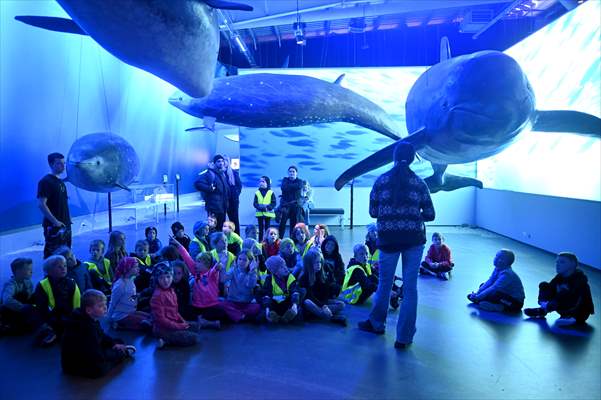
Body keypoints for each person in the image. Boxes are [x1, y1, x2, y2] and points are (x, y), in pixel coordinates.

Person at [357, 141, 435, 350]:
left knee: (384, 283)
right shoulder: (419, 183)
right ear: (412, 158)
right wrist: (411, 214)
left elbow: (373, 212)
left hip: (388, 240)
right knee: (410, 288)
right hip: (414, 240)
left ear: (394, 157)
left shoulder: (381, 181)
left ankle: (376, 323)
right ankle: (404, 337)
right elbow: (430, 214)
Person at [61, 289, 134, 378]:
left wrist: (113, 343)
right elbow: (97, 355)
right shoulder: (86, 327)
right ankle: (123, 353)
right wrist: (117, 353)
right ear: (89, 310)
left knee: (116, 341)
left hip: (84, 355)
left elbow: (101, 336)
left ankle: (119, 349)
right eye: (100, 306)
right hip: (75, 365)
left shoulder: (88, 319)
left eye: (104, 305)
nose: (105, 308)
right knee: (100, 369)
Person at [524, 252, 594, 325]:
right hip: (563, 306)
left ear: (572, 264)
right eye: (557, 262)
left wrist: (573, 313)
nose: (557, 264)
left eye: (562, 262)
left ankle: (570, 317)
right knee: (544, 285)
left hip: (579, 312)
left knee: (564, 291)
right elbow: (550, 288)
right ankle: (543, 309)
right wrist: (545, 301)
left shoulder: (580, 280)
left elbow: (580, 301)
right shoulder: (560, 277)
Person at [150, 263, 202, 348]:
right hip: (163, 329)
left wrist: (183, 322)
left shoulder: (171, 290)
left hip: (173, 323)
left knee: (196, 326)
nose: (166, 280)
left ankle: (167, 339)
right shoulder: (157, 296)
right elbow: (162, 320)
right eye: (161, 278)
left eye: (168, 276)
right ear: (157, 280)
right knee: (194, 338)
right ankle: (165, 340)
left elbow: (175, 311)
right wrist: (179, 326)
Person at [34, 255, 81, 346]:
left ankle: (59, 333)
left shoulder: (71, 283)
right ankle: (54, 332)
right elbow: (41, 307)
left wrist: (75, 317)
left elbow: (77, 303)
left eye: (64, 266)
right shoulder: (42, 285)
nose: (63, 268)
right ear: (49, 271)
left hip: (69, 315)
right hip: (52, 316)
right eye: (59, 267)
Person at [298, 249, 346, 326]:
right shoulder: (304, 277)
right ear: (309, 264)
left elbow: (325, 293)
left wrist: (327, 301)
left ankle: (318, 314)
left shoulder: (321, 274)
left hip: (322, 301)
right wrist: (323, 306)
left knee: (341, 304)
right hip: (312, 303)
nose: (319, 265)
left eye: (320, 262)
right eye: (316, 263)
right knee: (307, 302)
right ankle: (331, 317)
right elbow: (310, 296)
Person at [37, 152, 72, 258]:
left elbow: (61, 202)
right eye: (59, 163)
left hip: (65, 223)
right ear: (51, 164)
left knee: (66, 252)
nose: (63, 166)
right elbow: (41, 204)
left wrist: (67, 218)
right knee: (53, 256)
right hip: (54, 226)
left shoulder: (60, 182)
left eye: (63, 163)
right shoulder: (45, 182)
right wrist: (55, 222)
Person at [107, 257, 152, 331]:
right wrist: (109, 319)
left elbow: (130, 298)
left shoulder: (130, 281)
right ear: (127, 269)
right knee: (147, 323)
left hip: (130, 311)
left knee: (150, 317)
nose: (138, 269)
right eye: (136, 267)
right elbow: (113, 303)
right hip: (121, 315)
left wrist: (136, 296)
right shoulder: (120, 285)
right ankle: (119, 325)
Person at [222, 249, 261, 322]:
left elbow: (250, 285)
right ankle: (243, 317)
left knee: (257, 307)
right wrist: (223, 266)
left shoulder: (252, 273)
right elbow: (223, 279)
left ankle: (236, 315)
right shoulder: (233, 269)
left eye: (245, 260)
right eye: (240, 259)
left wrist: (251, 272)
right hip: (232, 302)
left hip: (246, 303)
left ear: (250, 262)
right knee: (220, 304)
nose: (241, 262)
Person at [261, 255, 302, 324]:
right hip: (275, 302)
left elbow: (294, 291)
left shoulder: (290, 277)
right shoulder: (269, 279)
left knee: (300, 312)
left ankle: (287, 316)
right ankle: (274, 316)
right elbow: (267, 294)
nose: (286, 269)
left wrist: (294, 306)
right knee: (261, 315)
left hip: (287, 302)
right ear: (275, 271)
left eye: (285, 266)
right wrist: (267, 310)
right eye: (282, 267)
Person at [0, 258, 36, 335]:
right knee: (21, 295)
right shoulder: (11, 284)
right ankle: (6, 325)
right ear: (18, 272)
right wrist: (23, 307)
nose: (31, 271)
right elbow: (6, 300)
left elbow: (30, 296)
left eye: (31, 269)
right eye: (28, 269)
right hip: (8, 310)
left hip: (20, 308)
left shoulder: (28, 282)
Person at [194, 155, 230, 230]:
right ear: (214, 163)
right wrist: (209, 188)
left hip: (222, 208)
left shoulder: (222, 174)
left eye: (222, 161)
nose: (221, 163)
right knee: (212, 229)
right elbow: (197, 184)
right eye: (218, 161)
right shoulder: (209, 174)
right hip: (213, 208)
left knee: (220, 229)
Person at [278, 165, 305, 238]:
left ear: (297, 173)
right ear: (288, 173)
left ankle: (292, 239)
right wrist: (292, 186)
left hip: (295, 206)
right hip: (285, 205)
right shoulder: (284, 180)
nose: (291, 173)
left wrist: (289, 186)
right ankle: (279, 239)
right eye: (290, 171)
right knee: (282, 224)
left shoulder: (300, 181)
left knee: (294, 224)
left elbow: (298, 186)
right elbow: (284, 187)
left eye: (293, 172)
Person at [253, 176, 276, 241]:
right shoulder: (257, 192)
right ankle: (260, 241)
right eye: (260, 181)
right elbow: (255, 203)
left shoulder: (271, 192)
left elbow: (274, 203)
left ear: (267, 183)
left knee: (267, 229)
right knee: (260, 229)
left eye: (263, 181)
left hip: (268, 214)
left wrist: (268, 208)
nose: (261, 183)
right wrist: (260, 207)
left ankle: (267, 241)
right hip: (259, 214)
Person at [224, 155, 242, 235]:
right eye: (222, 160)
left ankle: (236, 236)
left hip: (233, 201)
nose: (224, 162)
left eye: (225, 160)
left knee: (234, 219)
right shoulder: (219, 173)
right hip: (223, 201)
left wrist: (235, 194)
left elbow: (239, 185)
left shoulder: (234, 173)